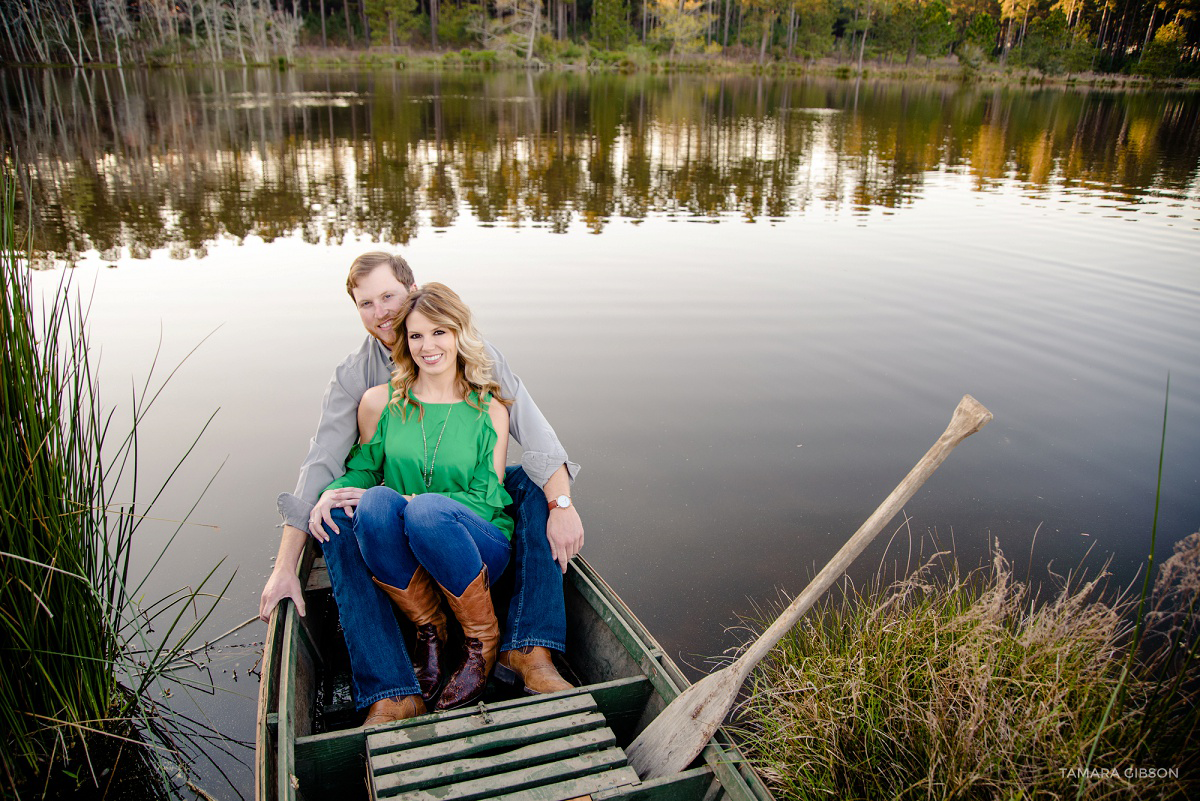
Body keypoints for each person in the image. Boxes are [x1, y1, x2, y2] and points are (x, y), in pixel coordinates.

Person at [259, 252, 583, 725]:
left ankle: (528, 649)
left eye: (388, 296)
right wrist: (286, 563)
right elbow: (324, 465)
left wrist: (563, 504)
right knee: (336, 517)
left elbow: (537, 440)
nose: (381, 312)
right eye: (366, 303)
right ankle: (393, 688)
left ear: (412, 292)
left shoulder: (476, 362)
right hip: (394, 514)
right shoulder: (360, 382)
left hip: (460, 508)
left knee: (534, 485)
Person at [319, 283, 513, 712]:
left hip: (477, 549)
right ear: (404, 342)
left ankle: (481, 640)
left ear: (459, 334)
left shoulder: (489, 410)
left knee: (423, 509)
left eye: (439, 332)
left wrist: (412, 500)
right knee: (373, 502)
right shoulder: (381, 403)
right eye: (416, 335)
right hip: (409, 551)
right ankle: (431, 631)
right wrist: (327, 495)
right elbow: (363, 471)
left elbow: (488, 498)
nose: (428, 346)